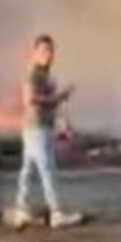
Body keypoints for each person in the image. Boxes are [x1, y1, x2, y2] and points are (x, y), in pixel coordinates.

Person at [8, 34, 84, 229]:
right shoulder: (32, 73)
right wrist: (59, 97)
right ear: (34, 52)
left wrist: (63, 124)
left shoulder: (45, 75)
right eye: (44, 51)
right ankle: (56, 212)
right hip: (36, 128)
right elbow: (30, 99)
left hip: (41, 127)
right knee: (47, 169)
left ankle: (22, 209)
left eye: (51, 50)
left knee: (29, 170)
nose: (49, 55)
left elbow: (50, 104)